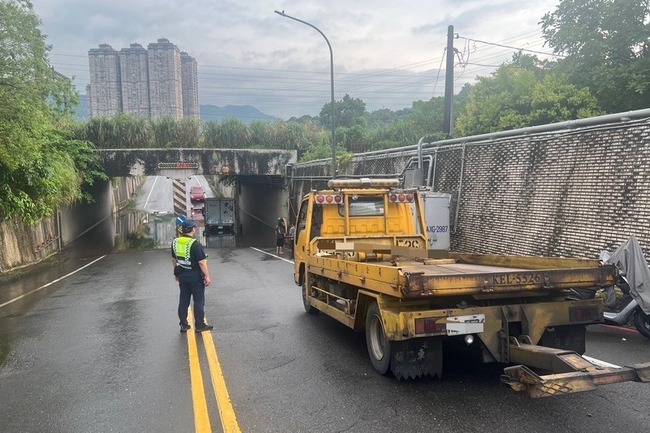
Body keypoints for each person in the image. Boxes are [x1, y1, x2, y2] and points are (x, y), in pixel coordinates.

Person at [172, 219, 213, 333]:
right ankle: (199, 325)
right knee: (198, 300)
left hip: (183, 276)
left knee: (184, 300)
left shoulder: (175, 242)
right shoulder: (195, 244)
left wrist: (176, 273)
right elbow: (201, 262)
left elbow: (174, 260)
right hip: (195, 276)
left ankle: (183, 325)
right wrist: (207, 276)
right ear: (192, 229)